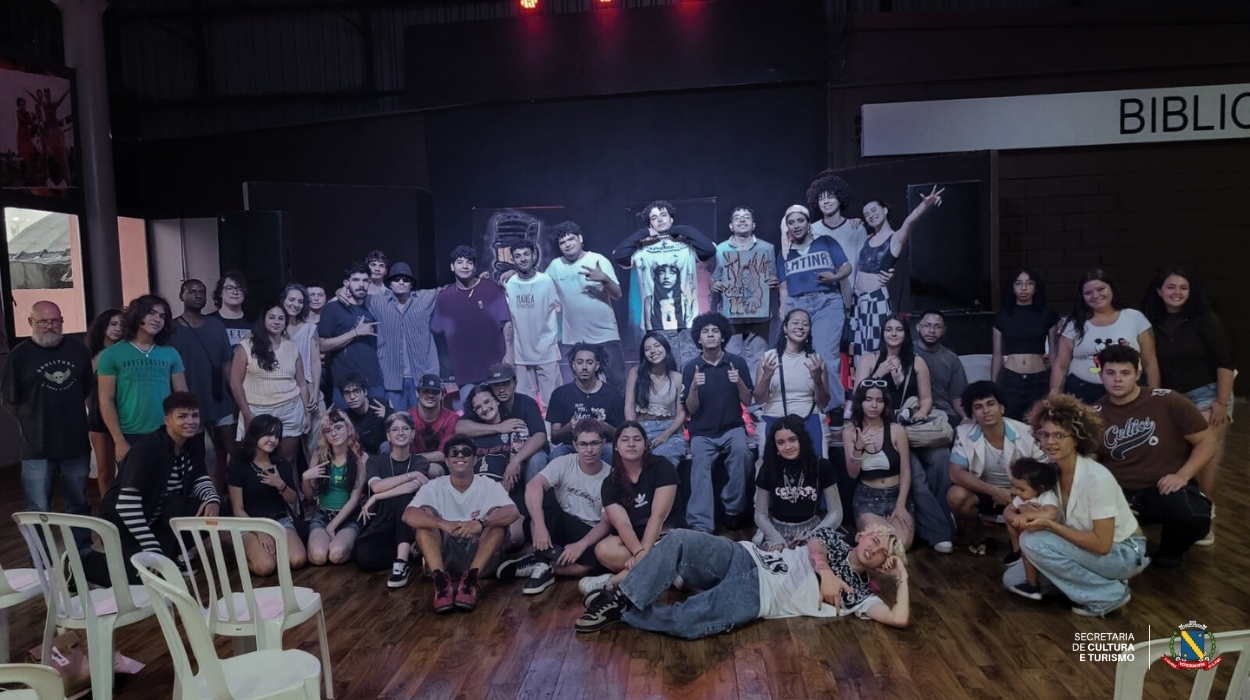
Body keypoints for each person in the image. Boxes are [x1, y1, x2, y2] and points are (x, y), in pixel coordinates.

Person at [574, 524, 910, 636]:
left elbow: (898, 618)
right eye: (874, 538)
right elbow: (815, 545)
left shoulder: (859, 595)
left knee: (687, 622)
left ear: (884, 563)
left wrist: (903, 578)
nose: (873, 547)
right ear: (862, 535)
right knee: (678, 539)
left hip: (758, 594)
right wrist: (826, 575)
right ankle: (622, 598)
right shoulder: (834, 538)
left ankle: (624, 610)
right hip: (747, 555)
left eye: (881, 550)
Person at [1003, 394, 1148, 618]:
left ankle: (1108, 595)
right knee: (1012, 578)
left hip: (1124, 552)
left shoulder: (1096, 478)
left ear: (1078, 438)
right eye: (1044, 434)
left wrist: (1050, 525)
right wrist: (1024, 513)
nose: (1050, 442)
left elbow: (1102, 545)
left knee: (1031, 542)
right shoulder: (1049, 471)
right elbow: (1027, 504)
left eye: (1059, 435)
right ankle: (1097, 581)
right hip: (1084, 547)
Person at [1093, 345, 1214, 568]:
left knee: (1195, 516)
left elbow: (1207, 441)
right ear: (1101, 376)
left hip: (1163, 486)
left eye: (1125, 373)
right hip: (1119, 490)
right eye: (1110, 373)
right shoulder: (1094, 414)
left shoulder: (1168, 400)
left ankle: (1170, 550)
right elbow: (1089, 461)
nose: (1117, 379)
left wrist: (1182, 475)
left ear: (1138, 374)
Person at [1142, 268, 1234, 545]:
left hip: (1208, 394)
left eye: (1183, 287)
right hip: (1172, 397)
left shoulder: (1205, 319)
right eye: (1171, 287)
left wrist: (1221, 402)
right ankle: (1182, 510)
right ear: (1159, 291)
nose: (1177, 292)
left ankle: (1206, 515)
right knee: (1173, 455)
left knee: (1204, 457)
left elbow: (1225, 362)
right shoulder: (1151, 323)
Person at [91, 393, 221, 585]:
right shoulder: (147, 450)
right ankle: (80, 565)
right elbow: (126, 507)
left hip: (156, 516)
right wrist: (151, 546)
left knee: (213, 509)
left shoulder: (191, 443)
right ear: (167, 420)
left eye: (195, 415)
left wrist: (212, 499)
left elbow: (199, 478)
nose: (190, 421)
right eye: (182, 416)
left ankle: (172, 556)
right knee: (140, 578)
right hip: (124, 524)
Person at [1, 301, 94, 533]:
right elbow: (9, 400)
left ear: (62, 321)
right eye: (43, 321)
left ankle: (82, 550)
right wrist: (31, 422)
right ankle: (40, 554)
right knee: (38, 510)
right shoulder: (18, 356)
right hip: (37, 447)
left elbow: (87, 389)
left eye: (55, 321)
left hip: (75, 443)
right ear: (31, 322)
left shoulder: (79, 350)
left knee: (79, 504)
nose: (50, 326)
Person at [403, 435, 521, 613]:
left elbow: (513, 512)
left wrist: (481, 523)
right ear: (447, 461)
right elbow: (408, 515)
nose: (460, 456)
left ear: (475, 460)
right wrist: (442, 524)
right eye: (454, 453)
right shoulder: (434, 486)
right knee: (424, 517)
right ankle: (441, 583)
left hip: (481, 557)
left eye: (466, 452)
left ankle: (471, 581)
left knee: (497, 520)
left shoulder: (488, 484)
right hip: (444, 555)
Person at [497, 418, 612, 596]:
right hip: (556, 525)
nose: (589, 449)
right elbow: (533, 486)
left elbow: (606, 522)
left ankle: (542, 564)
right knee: (542, 495)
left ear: (603, 443)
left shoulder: (611, 476)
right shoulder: (564, 462)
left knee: (597, 565)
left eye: (594, 443)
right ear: (575, 445)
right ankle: (543, 561)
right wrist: (540, 527)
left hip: (587, 531)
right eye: (583, 444)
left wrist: (580, 545)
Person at [579, 422, 681, 595]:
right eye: (625, 439)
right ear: (616, 446)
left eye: (637, 439)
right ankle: (668, 571)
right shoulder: (610, 483)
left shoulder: (662, 467)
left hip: (668, 537)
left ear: (646, 444)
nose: (631, 444)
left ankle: (612, 582)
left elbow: (659, 515)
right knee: (603, 549)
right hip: (635, 542)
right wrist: (639, 551)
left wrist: (642, 554)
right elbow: (622, 524)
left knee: (666, 547)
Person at [612, 200, 716, 369]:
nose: (660, 219)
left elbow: (709, 250)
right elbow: (619, 256)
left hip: (688, 324)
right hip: (656, 326)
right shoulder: (643, 250)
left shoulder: (686, 245)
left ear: (671, 218)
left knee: (691, 371)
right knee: (664, 372)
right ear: (650, 224)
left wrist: (678, 230)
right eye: (654, 218)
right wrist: (644, 233)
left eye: (663, 215)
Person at [947, 381, 1045, 554]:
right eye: (978, 407)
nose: (986, 410)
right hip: (985, 492)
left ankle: (1025, 549)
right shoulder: (964, 433)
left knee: (1033, 507)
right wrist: (993, 491)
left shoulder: (1027, 433)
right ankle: (978, 537)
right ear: (972, 414)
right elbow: (956, 473)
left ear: (1001, 408)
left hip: (1020, 492)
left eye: (990, 404)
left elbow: (1044, 470)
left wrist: (1020, 491)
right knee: (956, 496)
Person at [682, 312, 755, 533]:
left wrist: (739, 382)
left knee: (742, 452)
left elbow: (748, 401)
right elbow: (690, 409)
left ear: (723, 336)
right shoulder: (691, 367)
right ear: (699, 338)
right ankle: (701, 523)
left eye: (715, 331)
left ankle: (732, 509)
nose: (711, 335)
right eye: (705, 331)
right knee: (700, 465)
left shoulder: (737, 362)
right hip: (701, 433)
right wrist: (694, 388)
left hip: (732, 428)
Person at [775, 205, 850, 415]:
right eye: (791, 222)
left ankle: (834, 407)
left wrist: (835, 277)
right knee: (798, 355)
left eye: (800, 220)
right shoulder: (784, 253)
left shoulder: (826, 242)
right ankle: (807, 405)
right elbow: (783, 287)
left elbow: (846, 267)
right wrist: (783, 309)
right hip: (797, 305)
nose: (796, 225)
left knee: (825, 355)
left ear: (808, 223)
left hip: (827, 302)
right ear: (787, 226)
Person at [852, 188, 943, 359]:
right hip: (859, 300)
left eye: (874, 210)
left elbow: (909, 222)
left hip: (876, 300)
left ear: (885, 210)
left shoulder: (894, 238)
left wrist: (924, 206)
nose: (871, 215)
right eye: (866, 214)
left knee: (875, 349)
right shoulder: (868, 238)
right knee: (859, 349)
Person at [354, 412, 441, 587]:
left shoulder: (419, 461)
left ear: (412, 434)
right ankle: (412, 552)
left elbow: (411, 488)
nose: (400, 433)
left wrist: (377, 497)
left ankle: (401, 563)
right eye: (395, 429)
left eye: (405, 429)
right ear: (388, 436)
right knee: (364, 557)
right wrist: (411, 475)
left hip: (408, 523)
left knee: (404, 498)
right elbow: (376, 486)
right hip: (382, 522)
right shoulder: (376, 461)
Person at [97, 295, 189, 460]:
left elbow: (182, 397)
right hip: (129, 433)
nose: (157, 319)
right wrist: (118, 440)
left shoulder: (170, 353)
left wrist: (181, 432)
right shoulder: (112, 354)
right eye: (151, 313)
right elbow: (106, 400)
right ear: (137, 315)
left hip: (166, 431)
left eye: (162, 316)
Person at [1050, 269, 1158, 403]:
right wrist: (1054, 396)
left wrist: (1154, 396)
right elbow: (1061, 366)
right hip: (1083, 393)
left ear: (1111, 288)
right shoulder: (1073, 324)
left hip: (1130, 392)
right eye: (1088, 293)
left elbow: (1150, 362)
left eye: (1101, 289)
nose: (1095, 295)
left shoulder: (1135, 318)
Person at [169, 279, 236, 489]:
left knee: (231, 449)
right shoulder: (171, 329)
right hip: (189, 401)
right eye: (192, 291)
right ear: (181, 295)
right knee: (197, 454)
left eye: (202, 291)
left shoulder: (216, 325)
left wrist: (235, 396)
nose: (198, 295)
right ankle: (201, 495)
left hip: (221, 399)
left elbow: (227, 363)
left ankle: (223, 494)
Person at [545, 221, 626, 391]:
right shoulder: (555, 266)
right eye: (562, 242)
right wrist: (514, 273)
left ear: (580, 239)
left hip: (605, 335)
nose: (567, 245)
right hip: (576, 339)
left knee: (617, 383)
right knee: (583, 387)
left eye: (571, 239)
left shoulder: (597, 260)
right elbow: (538, 284)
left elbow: (617, 294)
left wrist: (604, 278)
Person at [229, 305, 311, 466]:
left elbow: (301, 384)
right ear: (264, 320)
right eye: (272, 317)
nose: (276, 322)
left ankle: (282, 483)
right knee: (255, 460)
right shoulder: (247, 346)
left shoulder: (292, 347)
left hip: (290, 409)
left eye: (281, 318)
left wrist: (308, 415)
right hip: (258, 410)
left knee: (287, 461)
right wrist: (246, 413)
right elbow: (235, 382)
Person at [355, 262, 441, 414]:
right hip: (391, 378)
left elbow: (449, 291)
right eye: (396, 279)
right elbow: (354, 294)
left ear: (411, 284)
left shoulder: (424, 298)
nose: (401, 282)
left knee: (421, 422)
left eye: (405, 279)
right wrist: (340, 291)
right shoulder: (377, 301)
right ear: (389, 283)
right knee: (395, 421)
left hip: (421, 376)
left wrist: (478, 280)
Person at [908, 309, 962, 552]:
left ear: (944, 330)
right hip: (908, 423)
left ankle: (934, 521)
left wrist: (967, 421)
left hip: (939, 425)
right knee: (916, 475)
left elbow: (958, 399)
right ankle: (940, 530)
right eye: (927, 325)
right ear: (918, 327)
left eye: (937, 326)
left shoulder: (951, 359)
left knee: (942, 461)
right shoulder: (906, 353)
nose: (931, 330)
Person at [227, 415, 306, 575]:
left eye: (276, 436)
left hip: (280, 520)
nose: (273, 440)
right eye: (268, 435)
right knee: (266, 567)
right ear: (255, 435)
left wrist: (280, 485)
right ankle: (245, 552)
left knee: (298, 560)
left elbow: (293, 500)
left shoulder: (282, 464)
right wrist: (259, 531)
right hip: (251, 523)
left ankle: (271, 551)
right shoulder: (239, 467)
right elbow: (238, 510)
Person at [753, 416, 842, 551]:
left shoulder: (822, 465)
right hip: (777, 531)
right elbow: (760, 515)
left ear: (802, 439)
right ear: (774, 445)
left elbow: (836, 513)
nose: (788, 447)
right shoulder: (768, 468)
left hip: (813, 529)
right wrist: (776, 539)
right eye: (781, 442)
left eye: (792, 439)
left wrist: (812, 536)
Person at [430, 245, 513, 391]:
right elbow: (438, 333)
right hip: (464, 373)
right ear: (452, 267)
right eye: (460, 262)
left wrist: (510, 355)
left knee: (498, 405)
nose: (465, 266)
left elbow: (507, 324)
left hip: (495, 370)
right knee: (468, 405)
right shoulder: (444, 297)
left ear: (474, 267)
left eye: (469, 262)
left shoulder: (492, 289)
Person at [843, 382, 914, 549]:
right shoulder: (850, 432)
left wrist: (900, 506)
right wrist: (858, 449)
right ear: (860, 402)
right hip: (867, 497)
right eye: (868, 399)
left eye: (879, 400)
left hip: (896, 495)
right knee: (882, 542)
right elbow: (852, 473)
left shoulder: (897, 430)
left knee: (901, 545)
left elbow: (905, 471)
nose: (874, 405)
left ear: (885, 403)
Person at [456, 364, 549, 484]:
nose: (501, 390)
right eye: (496, 385)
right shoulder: (485, 405)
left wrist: (516, 460)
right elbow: (460, 427)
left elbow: (540, 436)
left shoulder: (526, 403)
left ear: (515, 383)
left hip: (524, 456)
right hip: (495, 461)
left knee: (537, 459)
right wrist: (499, 427)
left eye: (505, 383)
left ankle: (532, 495)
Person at [754, 308, 829, 454]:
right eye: (795, 323)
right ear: (785, 328)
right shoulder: (769, 358)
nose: (800, 327)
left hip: (809, 418)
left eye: (805, 324)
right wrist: (767, 376)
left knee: (817, 464)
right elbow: (758, 399)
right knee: (769, 464)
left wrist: (817, 380)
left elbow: (823, 403)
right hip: (775, 417)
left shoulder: (816, 360)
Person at [712, 206, 776, 374]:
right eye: (737, 217)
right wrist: (715, 285)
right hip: (730, 316)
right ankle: (734, 391)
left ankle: (757, 392)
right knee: (731, 360)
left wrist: (772, 282)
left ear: (753, 225)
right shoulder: (720, 249)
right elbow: (714, 278)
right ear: (731, 226)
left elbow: (773, 276)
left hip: (759, 316)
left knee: (758, 359)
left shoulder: (767, 248)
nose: (742, 220)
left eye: (746, 217)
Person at [992, 269, 1060, 420]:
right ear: (1012, 287)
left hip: (1039, 379)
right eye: (1018, 283)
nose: (1024, 288)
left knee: (1038, 422)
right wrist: (993, 385)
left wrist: (1055, 385)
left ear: (1036, 287)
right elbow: (997, 353)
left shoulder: (1047, 315)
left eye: (1029, 283)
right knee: (1009, 422)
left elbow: (1054, 352)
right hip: (1010, 379)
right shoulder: (1002, 316)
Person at [302, 409, 366, 566]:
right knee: (319, 557)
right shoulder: (319, 455)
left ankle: (347, 543)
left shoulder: (361, 458)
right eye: (328, 430)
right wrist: (305, 478)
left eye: (338, 427)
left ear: (348, 429)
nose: (334, 433)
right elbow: (309, 496)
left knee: (336, 554)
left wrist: (332, 526)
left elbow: (355, 499)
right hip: (322, 515)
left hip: (348, 517)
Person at [503, 241, 562, 408]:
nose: (522, 259)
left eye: (526, 254)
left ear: (534, 256)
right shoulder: (509, 284)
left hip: (547, 352)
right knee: (524, 404)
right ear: (513, 259)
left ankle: (551, 428)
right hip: (520, 355)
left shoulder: (546, 281)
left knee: (552, 403)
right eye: (518, 256)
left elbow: (561, 305)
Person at [319, 262, 385, 408]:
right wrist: (355, 333)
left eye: (365, 280)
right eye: (356, 280)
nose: (361, 284)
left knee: (378, 421)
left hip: (373, 381)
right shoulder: (333, 308)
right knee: (344, 422)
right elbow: (322, 345)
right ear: (346, 283)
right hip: (345, 384)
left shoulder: (372, 305)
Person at [546, 344, 625, 462]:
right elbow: (555, 438)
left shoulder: (613, 394)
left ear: (597, 365)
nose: (584, 367)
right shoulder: (560, 394)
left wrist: (605, 427)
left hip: (602, 447)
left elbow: (621, 436)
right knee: (557, 454)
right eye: (580, 362)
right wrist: (568, 428)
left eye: (589, 362)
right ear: (573, 365)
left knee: (611, 452)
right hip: (571, 446)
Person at [623, 332, 688, 469]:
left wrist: (666, 434)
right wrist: (634, 431)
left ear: (665, 348)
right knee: (640, 461)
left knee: (664, 460)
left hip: (669, 429)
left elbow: (681, 413)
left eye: (657, 346)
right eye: (647, 349)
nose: (653, 351)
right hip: (642, 428)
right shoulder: (636, 372)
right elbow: (629, 406)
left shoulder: (677, 377)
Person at [853, 315, 933, 424]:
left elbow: (926, 398)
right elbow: (857, 395)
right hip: (876, 420)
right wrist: (877, 375)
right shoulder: (868, 359)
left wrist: (922, 412)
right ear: (883, 333)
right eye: (888, 329)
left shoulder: (918, 362)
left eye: (899, 330)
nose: (894, 334)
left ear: (906, 333)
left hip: (908, 420)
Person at [1002, 457, 1061, 599]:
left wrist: (1025, 515)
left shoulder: (1046, 497)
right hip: (1029, 536)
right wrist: (1014, 517)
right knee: (1026, 554)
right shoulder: (1022, 496)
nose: (1017, 492)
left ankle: (1034, 584)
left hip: (1047, 537)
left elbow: (1050, 513)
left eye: (1022, 489)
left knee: (1029, 554)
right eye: (1015, 488)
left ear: (1040, 488)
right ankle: (1018, 554)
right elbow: (1007, 511)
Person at [280, 283, 325, 463]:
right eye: (291, 300)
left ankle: (318, 479)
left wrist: (315, 391)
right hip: (283, 389)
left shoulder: (309, 328)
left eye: (300, 301)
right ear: (283, 300)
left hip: (308, 386)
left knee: (317, 442)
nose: (295, 304)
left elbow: (315, 361)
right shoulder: (274, 327)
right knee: (286, 446)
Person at [85, 309, 124, 495]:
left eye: (122, 325)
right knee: (105, 469)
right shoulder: (90, 355)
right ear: (102, 326)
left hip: (125, 415)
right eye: (113, 324)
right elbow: (86, 390)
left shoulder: (127, 352)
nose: (118, 329)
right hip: (98, 417)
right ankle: (107, 506)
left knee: (127, 467)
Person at [407, 374, 459, 468]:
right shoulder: (407, 417)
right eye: (426, 391)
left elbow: (443, 454)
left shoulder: (451, 418)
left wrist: (411, 458)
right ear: (417, 393)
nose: (430, 395)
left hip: (439, 463)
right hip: (410, 463)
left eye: (435, 392)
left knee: (432, 469)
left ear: (442, 395)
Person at [338, 372, 390, 455]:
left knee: (385, 445)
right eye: (347, 393)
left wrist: (388, 417)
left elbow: (397, 431)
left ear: (365, 391)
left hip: (383, 454)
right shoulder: (345, 416)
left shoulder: (381, 405)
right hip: (362, 455)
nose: (352, 397)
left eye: (356, 391)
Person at [209, 271, 251, 347]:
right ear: (220, 292)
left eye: (240, 288)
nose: (235, 292)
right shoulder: (209, 322)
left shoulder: (254, 322)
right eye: (229, 288)